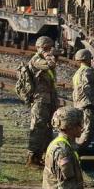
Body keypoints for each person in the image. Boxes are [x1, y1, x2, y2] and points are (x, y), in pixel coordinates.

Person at [27, 36, 60, 168]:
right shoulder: (36, 60)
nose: (50, 51)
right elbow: (50, 64)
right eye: (48, 48)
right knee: (37, 127)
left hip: (49, 99)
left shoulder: (44, 58)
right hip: (40, 100)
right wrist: (49, 56)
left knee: (48, 128)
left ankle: (44, 155)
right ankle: (32, 157)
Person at [71, 49, 94, 147]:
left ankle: (78, 146)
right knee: (88, 128)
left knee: (81, 126)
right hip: (87, 104)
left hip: (78, 104)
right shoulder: (87, 71)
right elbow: (87, 88)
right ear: (87, 59)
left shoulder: (77, 73)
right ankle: (80, 148)